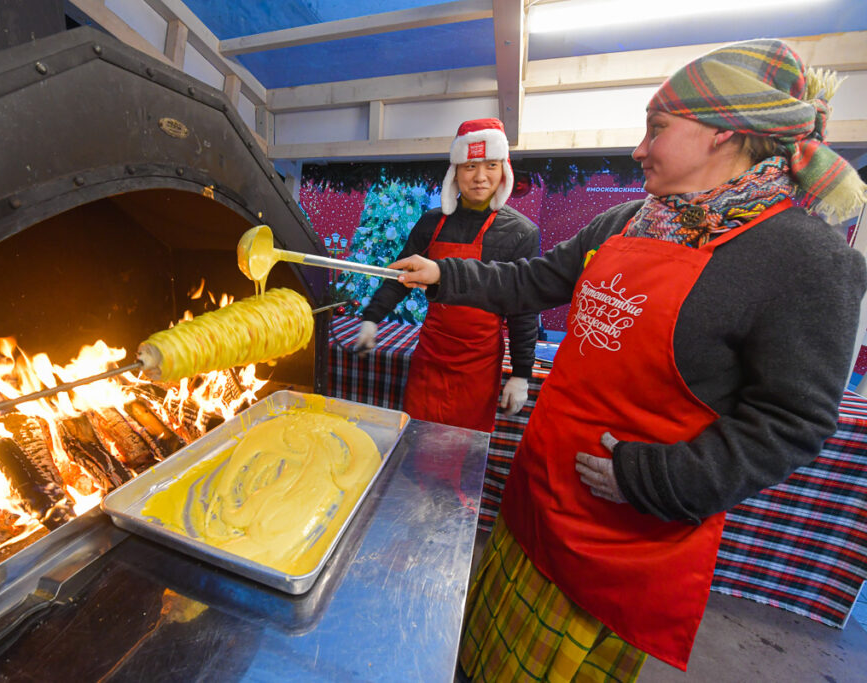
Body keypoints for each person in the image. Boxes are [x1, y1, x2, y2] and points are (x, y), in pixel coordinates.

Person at [392, 39, 867, 680]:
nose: (639, 148)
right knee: (475, 658)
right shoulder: (630, 220)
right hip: (538, 497)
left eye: (657, 129)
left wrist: (656, 479)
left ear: (725, 135)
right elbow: (534, 280)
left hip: (619, 536)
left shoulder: (806, 260)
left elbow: (793, 421)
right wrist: (444, 276)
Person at [354, 118, 541, 440]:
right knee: (417, 436)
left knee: (461, 447)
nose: (480, 177)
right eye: (469, 166)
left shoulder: (522, 232)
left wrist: (521, 374)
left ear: (504, 171)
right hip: (432, 353)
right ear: (455, 172)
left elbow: (524, 306)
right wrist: (372, 318)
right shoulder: (431, 222)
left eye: (491, 165)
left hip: (479, 363)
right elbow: (400, 274)